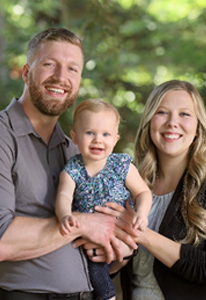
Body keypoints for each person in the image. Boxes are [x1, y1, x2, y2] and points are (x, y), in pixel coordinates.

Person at [0, 28, 136, 300]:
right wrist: (86, 224)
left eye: (72, 69)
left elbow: (108, 243)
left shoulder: (77, 150)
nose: (61, 77)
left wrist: (119, 246)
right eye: (49, 64)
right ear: (26, 72)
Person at [85, 80, 206, 299]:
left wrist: (142, 234)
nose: (172, 122)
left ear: (198, 128)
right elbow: (115, 266)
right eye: (162, 112)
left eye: (184, 114)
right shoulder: (129, 184)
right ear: (150, 122)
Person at [55, 98, 152, 300]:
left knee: (106, 270)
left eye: (105, 134)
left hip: (121, 230)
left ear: (115, 139)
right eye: (90, 133)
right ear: (74, 137)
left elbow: (142, 192)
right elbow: (64, 196)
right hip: (89, 238)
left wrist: (142, 213)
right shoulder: (72, 170)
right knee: (86, 266)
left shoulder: (121, 165)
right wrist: (65, 216)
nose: (98, 140)